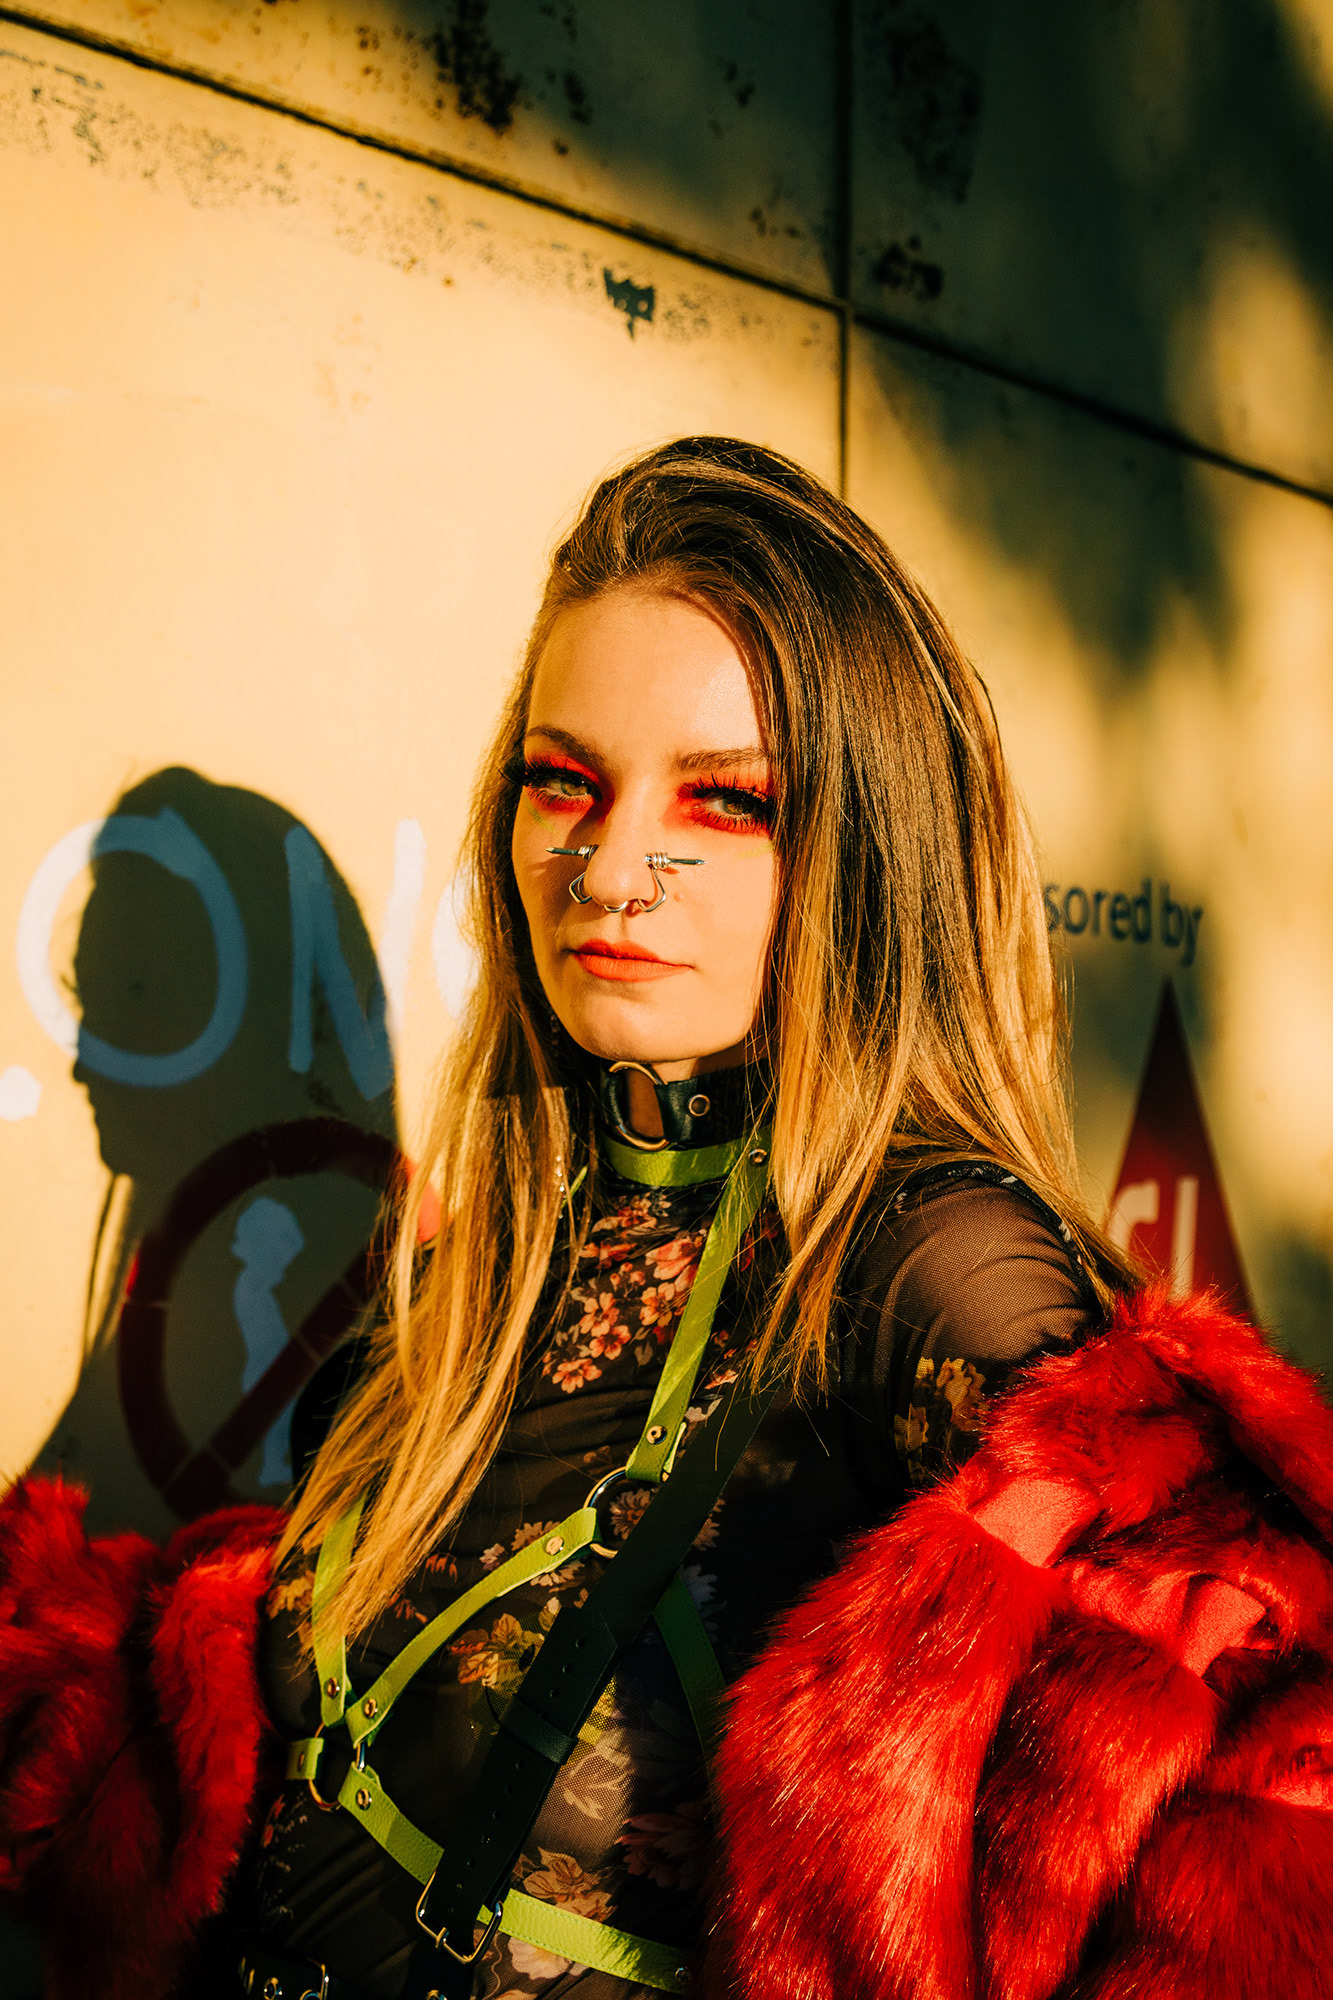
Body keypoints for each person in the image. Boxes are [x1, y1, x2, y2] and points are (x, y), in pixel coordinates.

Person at [2, 438, 1331, 2000]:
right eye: (565, 781)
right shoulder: (481, 1271)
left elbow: (1262, 1828)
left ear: (863, 851)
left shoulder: (934, 1262)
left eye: (727, 800)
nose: (613, 865)